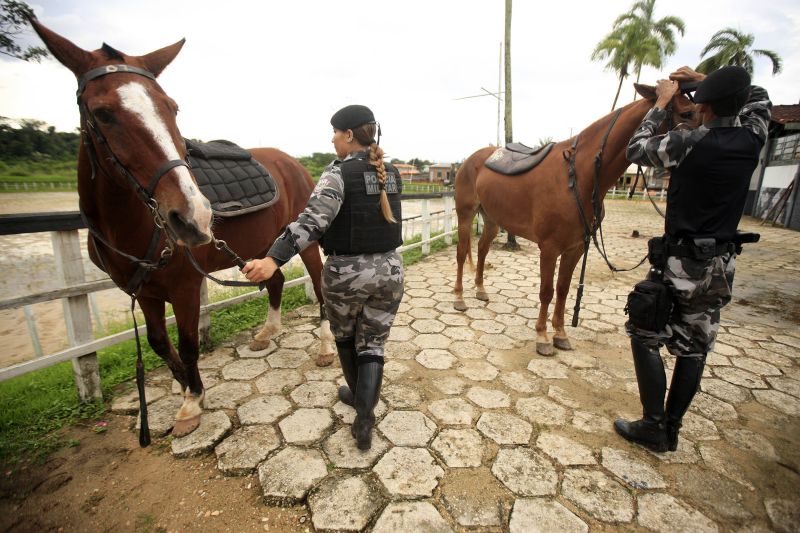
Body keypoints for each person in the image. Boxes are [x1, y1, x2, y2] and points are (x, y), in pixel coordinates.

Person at [615, 66, 772, 452]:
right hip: (721, 264)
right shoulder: (753, 137)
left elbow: (636, 149)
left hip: (681, 263)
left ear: (704, 108)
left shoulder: (689, 140)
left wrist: (664, 102)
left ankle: (653, 423)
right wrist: (705, 81)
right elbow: (760, 99)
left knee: (644, 331)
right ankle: (672, 428)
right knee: (695, 346)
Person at [242, 104, 404, 450]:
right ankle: (365, 412)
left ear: (348, 135)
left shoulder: (336, 175)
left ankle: (361, 408)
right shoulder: (390, 172)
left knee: (345, 339)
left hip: (346, 274)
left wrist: (273, 260)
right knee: (373, 344)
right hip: (390, 271)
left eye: (334, 133)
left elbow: (311, 221)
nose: (331, 140)